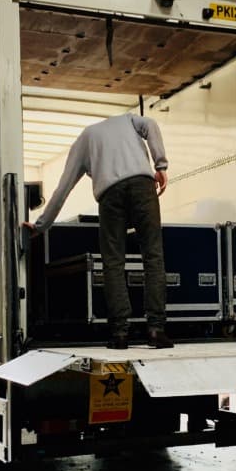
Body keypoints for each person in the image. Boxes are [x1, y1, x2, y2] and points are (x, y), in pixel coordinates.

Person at [23, 113, 173, 349]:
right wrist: (160, 165)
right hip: (143, 187)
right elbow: (151, 124)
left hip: (110, 195)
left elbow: (63, 188)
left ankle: (120, 333)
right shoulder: (129, 119)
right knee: (153, 257)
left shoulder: (85, 140)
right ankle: (156, 330)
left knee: (113, 262)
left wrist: (40, 225)